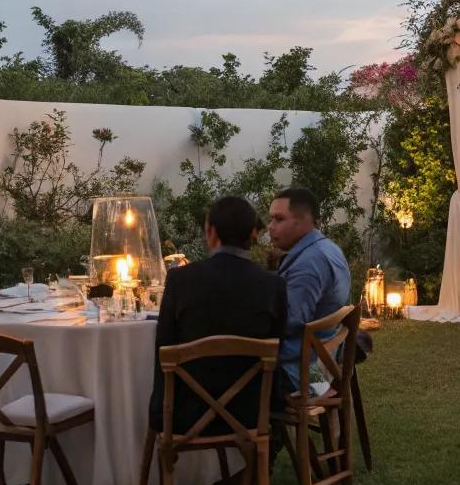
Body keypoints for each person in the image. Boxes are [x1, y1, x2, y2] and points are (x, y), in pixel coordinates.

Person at [148, 195, 286, 434]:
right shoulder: (273, 285)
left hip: (185, 415)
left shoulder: (181, 280)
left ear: (211, 232)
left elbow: (164, 348)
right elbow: (278, 348)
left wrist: (158, 413)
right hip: (252, 414)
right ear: (252, 235)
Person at [267, 186, 351, 391]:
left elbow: (289, 322)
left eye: (279, 219)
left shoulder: (309, 263)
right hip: (322, 364)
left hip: (305, 376)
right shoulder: (325, 247)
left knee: (219, 374)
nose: (270, 227)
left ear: (304, 221)